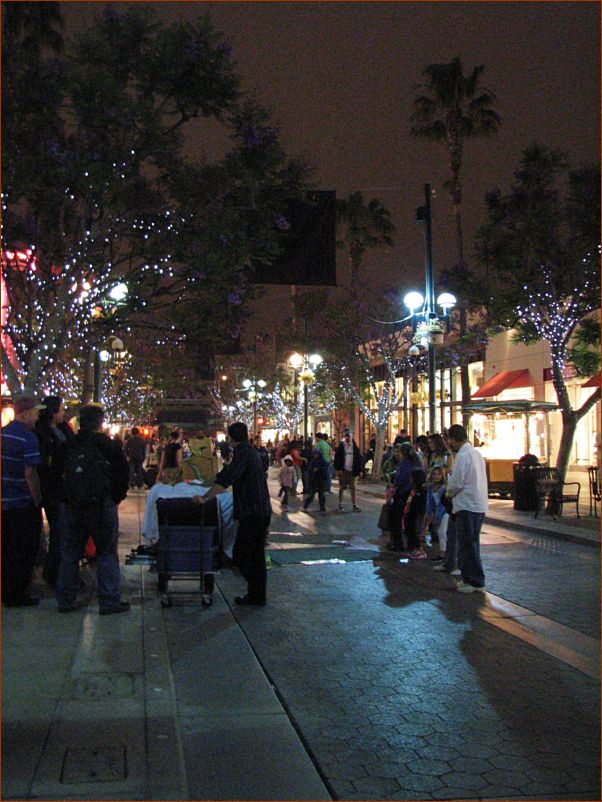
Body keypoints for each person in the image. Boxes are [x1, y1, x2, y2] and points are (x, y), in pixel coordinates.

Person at [54, 404, 130, 614]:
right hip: (101, 506)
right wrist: (115, 498)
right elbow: (123, 475)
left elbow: (55, 476)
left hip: (72, 506)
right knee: (106, 553)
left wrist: (65, 498)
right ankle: (109, 600)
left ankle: (65, 599)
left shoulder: (68, 446)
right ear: (100, 422)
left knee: (70, 554)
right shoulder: (109, 446)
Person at [193, 421, 272, 606]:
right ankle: (257, 594)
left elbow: (227, 478)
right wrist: (207, 483)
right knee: (256, 556)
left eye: (228, 436)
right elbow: (225, 474)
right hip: (258, 511)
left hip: (253, 512)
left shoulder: (244, 452)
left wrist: (205, 497)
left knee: (242, 554)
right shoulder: (247, 451)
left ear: (232, 438)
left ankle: (256, 592)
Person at [1, 396, 46, 607]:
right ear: (25, 413)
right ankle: (16, 592)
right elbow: (30, 472)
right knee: (23, 550)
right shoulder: (28, 438)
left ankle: (6, 588)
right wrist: (36, 499)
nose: (37, 417)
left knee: (7, 548)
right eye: (35, 413)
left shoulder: (3, 434)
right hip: (22, 504)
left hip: (4, 502)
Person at [34, 395, 75, 586]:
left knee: (61, 531)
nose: (64, 412)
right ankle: (53, 573)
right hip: (52, 488)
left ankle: (55, 571)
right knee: (59, 531)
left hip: (61, 487)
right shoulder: (42, 432)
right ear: (52, 412)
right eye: (61, 409)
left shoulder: (61, 429)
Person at [445, 424, 488, 593]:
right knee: (472, 543)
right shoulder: (476, 453)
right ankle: (472, 578)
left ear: (455, 439)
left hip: (467, 505)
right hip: (477, 504)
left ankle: (473, 580)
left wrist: (449, 492)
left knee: (467, 544)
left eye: (450, 439)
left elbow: (457, 482)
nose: (449, 443)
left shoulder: (463, 456)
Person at [387, 442, 423, 551]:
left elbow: (400, 480)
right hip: (413, 494)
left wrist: (393, 485)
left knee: (396, 520)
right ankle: (411, 544)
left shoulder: (404, 464)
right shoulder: (417, 463)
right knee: (410, 521)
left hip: (403, 494)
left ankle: (398, 544)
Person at [422, 466, 451, 562]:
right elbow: (430, 502)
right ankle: (443, 553)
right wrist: (429, 513)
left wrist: (437, 517)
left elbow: (442, 504)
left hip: (445, 512)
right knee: (440, 532)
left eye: (439, 474)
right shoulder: (430, 487)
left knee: (442, 532)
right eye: (434, 474)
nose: (436, 476)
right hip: (436, 513)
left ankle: (444, 554)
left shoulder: (444, 488)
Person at [334, 430, 362, 512]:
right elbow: (337, 458)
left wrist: (359, 470)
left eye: (349, 436)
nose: (348, 438)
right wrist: (338, 469)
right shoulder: (341, 446)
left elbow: (358, 459)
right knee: (342, 487)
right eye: (346, 436)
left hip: (352, 471)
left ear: (351, 437)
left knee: (353, 487)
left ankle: (354, 504)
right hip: (343, 470)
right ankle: (340, 503)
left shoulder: (355, 447)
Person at [403, 469, 427, 558]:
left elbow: (420, 506)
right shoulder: (413, 490)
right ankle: (415, 549)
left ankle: (420, 550)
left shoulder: (421, 493)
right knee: (410, 531)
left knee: (415, 531)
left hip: (415, 514)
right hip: (410, 513)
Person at [303, 447, 328, 513]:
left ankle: (322, 507)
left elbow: (325, 469)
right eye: (315, 454)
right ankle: (305, 505)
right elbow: (310, 471)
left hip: (321, 480)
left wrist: (318, 469)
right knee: (312, 495)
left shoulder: (322, 461)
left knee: (321, 494)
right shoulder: (313, 462)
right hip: (314, 481)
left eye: (317, 454)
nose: (316, 455)